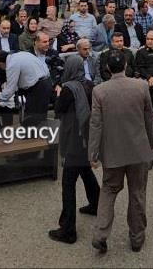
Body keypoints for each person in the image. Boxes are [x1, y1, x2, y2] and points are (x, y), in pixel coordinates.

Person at [88, 49, 153, 255]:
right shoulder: (141, 86)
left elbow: (96, 124)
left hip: (112, 151)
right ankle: (137, 237)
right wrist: (150, 142)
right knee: (137, 193)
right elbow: (148, 117)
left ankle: (100, 234)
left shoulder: (99, 91)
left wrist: (93, 153)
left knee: (108, 190)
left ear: (107, 68)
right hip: (138, 149)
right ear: (126, 65)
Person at [48, 55, 101, 245]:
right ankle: (96, 204)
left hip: (74, 139)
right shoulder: (89, 85)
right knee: (85, 171)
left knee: (68, 184)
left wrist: (58, 93)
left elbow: (58, 110)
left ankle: (68, 229)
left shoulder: (68, 89)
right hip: (87, 136)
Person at [0, 33, 54, 125]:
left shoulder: (12, 63)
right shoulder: (19, 55)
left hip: (39, 88)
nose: (2, 69)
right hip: (45, 83)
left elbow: (11, 88)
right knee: (38, 118)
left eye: (0, 67)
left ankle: (34, 133)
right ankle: (39, 132)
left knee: (30, 119)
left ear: (0, 63)